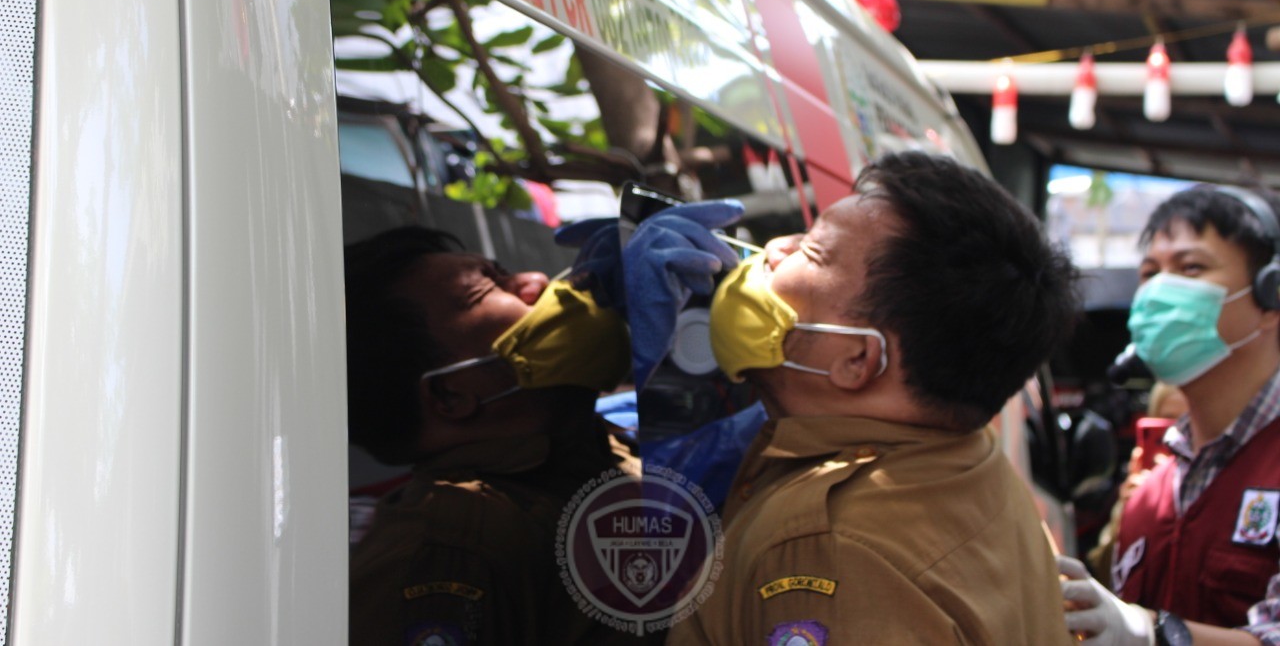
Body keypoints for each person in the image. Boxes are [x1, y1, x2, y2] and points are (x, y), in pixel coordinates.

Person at [665, 151, 1081, 645]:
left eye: (813, 251)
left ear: (859, 360)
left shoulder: (830, 550)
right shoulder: (972, 460)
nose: (777, 247)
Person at [343, 225, 648, 646]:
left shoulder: (593, 448)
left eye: (502, 271)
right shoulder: (442, 557)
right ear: (451, 394)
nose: (535, 282)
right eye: (487, 289)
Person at [1059, 185, 1280, 646]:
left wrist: (1148, 634)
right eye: (1149, 272)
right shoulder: (1150, 489)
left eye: (1190, 267)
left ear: (1270, 295)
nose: (1158, 290)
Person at [1085, 383, 1188, 578]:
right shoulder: (1139, 483)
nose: (1178, 435)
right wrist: (1127, 513)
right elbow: (1105, 573)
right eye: (1167, 423)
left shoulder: (1213, 487)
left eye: (1186, 422)